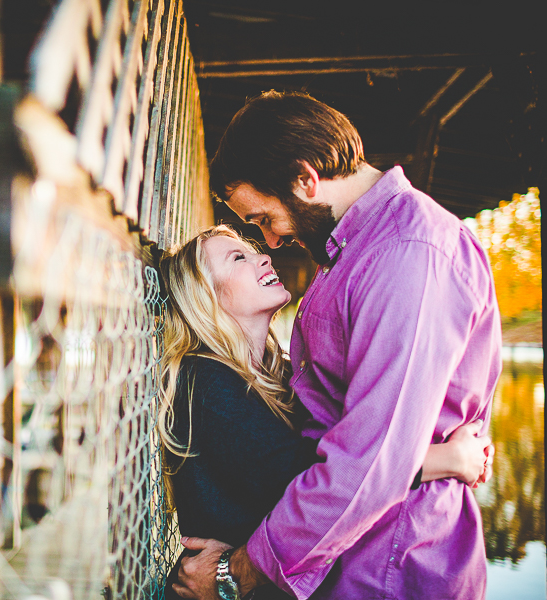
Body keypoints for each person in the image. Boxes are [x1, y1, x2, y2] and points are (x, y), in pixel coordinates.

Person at [171, 91, 502, 600]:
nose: (273, 243)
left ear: (305, 180)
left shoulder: (407, 256)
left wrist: (238, 573)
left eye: (263, 219)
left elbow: (371, 461)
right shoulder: (353, 251)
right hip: (347, 559)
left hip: (392, 566)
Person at [159, 225, 494, 600]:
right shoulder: (204, 380)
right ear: (206, 296)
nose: (264, 256)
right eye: (238, 258)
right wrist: (447, 459)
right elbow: (307, 477)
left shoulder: (279, 375)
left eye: (251, 250)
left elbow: (341, 442)